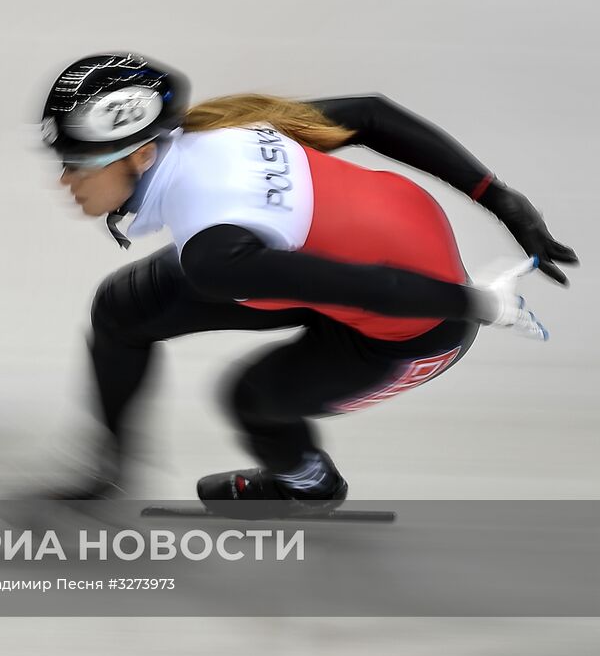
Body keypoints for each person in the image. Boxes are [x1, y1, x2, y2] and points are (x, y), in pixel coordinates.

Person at [39, 53, 577, 511]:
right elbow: (372, 114)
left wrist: (477, 303)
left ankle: (311, 484)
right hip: (335, 251)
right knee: (122, 308)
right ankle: (108, 471)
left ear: (140, 154)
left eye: (77, 162)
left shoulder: (215, 251)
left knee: (253, 400)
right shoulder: (223, 132)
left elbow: (376, 288)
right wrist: (499, 196)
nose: (65, 180)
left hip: (416, 323)